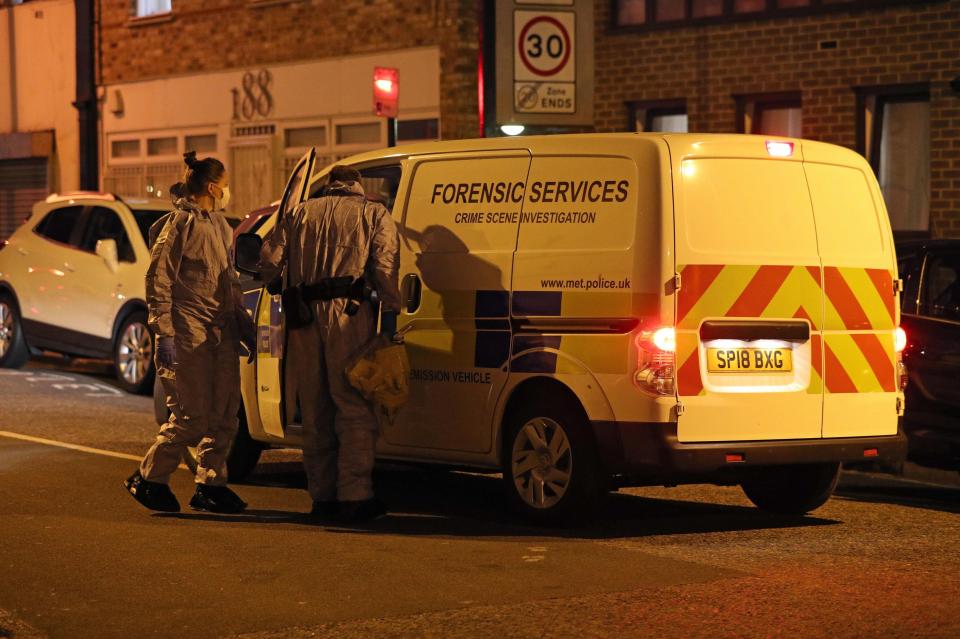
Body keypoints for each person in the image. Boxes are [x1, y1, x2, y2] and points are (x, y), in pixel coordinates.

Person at [260, 165, 400, 523]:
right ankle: (354, 496)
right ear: (356, 185)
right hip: (350, 316)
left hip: (303, 317)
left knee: (315, 408)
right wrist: (392, 312)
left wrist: (279, 284)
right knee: (353, 407)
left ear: (330, 185)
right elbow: (385, 268)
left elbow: (269, 262)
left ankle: (321, 498)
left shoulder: (298, 213)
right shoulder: (373, 213)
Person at [124, 151, 257, 514]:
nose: (228, 191)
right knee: (191, 416)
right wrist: (164, 337)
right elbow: (158, 282)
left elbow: (228, 284)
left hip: (220, 334)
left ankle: (210, 484)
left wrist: (244, 328)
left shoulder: (218, 226)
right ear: (212, 187)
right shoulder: (178, 226)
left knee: (224, 414)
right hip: (184, 336)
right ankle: (149, 477)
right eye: (225, 185)